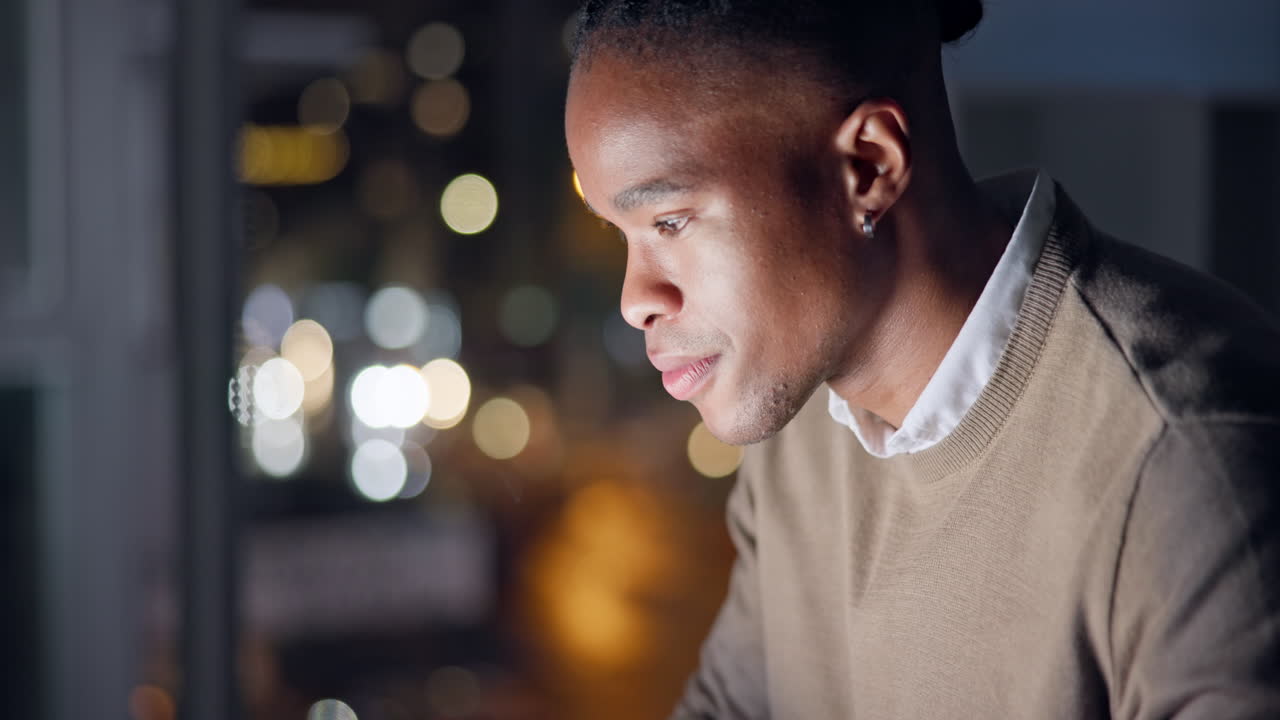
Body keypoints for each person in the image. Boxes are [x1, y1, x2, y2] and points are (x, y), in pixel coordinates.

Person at [563, 1, 1280, 718]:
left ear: (868, 166)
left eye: (669, 222)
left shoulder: (1184, 460)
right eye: (621, 233)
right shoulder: (800, 427)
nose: (634, 301)